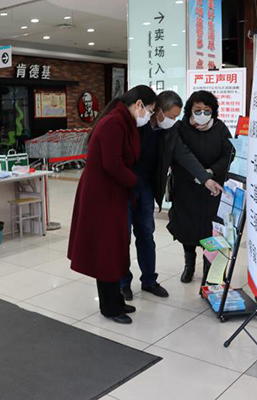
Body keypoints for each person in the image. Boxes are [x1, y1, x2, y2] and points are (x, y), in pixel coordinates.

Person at [120, 91, 223, 301]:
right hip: (125, 188)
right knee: (123, 237)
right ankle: (123, 283)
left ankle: (149, 280)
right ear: (158, 111)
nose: (174, 121)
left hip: (146, 188)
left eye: (177, 117)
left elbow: (183, 154)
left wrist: (206, 178)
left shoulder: (170, 130)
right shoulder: (136, 126)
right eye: (172, 116)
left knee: (146, 234)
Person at [68, 85, 157, 325]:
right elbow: (112, 163)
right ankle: (109, 307)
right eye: (149, 110)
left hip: (112, 191)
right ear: (138, 104)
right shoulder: (114, 123)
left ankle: (116, 299)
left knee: (114, 247)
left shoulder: (122, 121)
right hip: (101, 194)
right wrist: (134, 181)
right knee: (106, 250)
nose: (148, 116)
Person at [167, 90, 233, 288]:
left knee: (210, 230)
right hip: (186, 187)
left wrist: (211, 172)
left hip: (212, 188)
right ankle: (189, 265)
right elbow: (180, 155)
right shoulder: (180, 128)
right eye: (198, 110)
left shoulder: (220, 128)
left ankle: (209, 268)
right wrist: (197, 174)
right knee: (187, 227)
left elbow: (229, 153)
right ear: (190, 110)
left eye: (207, 110)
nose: (202, 114)